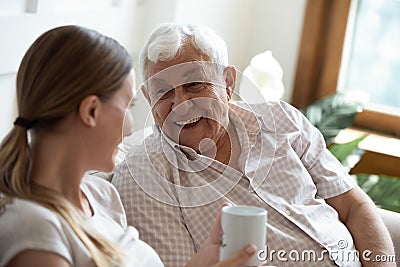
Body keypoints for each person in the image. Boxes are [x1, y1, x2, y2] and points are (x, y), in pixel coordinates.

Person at [111, 23, 396, 267]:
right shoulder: (144, 177)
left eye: (195, 84)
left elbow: (353, 206)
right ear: (149, 100)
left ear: (227, 83)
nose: (181, 105)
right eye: (163, 92)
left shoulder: (282, 120)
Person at [0, 25, 260, 267]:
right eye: (128, 106)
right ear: (90, 111)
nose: (130, 128)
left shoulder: (100, 195)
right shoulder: (34, 229)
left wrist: (207, 258)